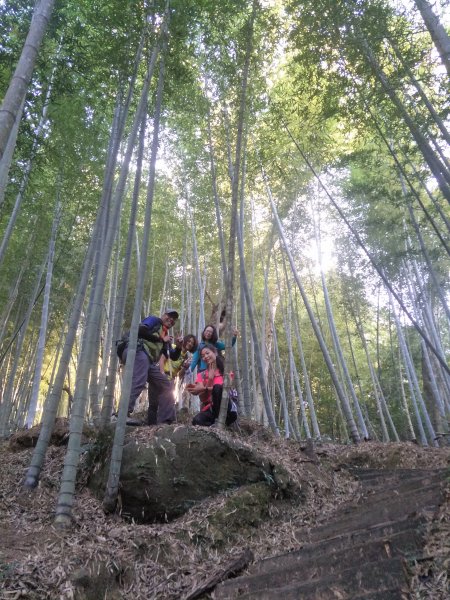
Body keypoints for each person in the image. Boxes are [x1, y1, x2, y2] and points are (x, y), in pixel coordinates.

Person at [121, 308, 181, 425]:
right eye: (169, 316)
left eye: (174, 320)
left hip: (149, 361)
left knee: (166, 385)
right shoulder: (154, 321)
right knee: (139, 380)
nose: (171, 320)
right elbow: (140, 330)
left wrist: (178, 347)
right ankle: (122, 414)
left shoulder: (165, 335)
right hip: (137, 351)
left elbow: (172, 356)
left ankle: (165, 421)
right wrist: (160, 339)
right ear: (164, 315)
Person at [187, 344, 237, 427]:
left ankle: (219, 422)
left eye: (207, 353)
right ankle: (217, 424)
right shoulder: (201, 375)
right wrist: (210, 379)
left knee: (217, 387)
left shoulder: (226, 372)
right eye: (202, 356)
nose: (205, 357)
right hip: (211, 409)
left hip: (227, 409)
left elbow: (225, 390)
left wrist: (205, 388)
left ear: (215, 353)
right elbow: (203, 399)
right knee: (196, 420)